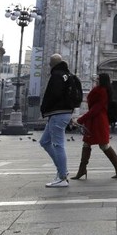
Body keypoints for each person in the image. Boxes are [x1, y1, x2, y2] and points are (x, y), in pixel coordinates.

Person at [70, 73, 117, 179]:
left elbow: (96, 109)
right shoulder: (99, 90)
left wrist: (81, 119)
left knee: (103, 145)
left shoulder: (102, 91)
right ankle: (82, 170)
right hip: (93, 121)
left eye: (98, 79)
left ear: (102, 80)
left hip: (99, 122)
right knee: (87, 144)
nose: (96, 80)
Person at [39, 54, 76, 188]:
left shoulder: (57, 76)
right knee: (44, 141)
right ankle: (62, 170)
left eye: (50, 63)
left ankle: (62, 177)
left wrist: (44, 108)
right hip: (63, 113)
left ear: (52, 64)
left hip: (58, 113)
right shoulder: (68, 75)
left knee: (58, 145)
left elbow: (53, 95)